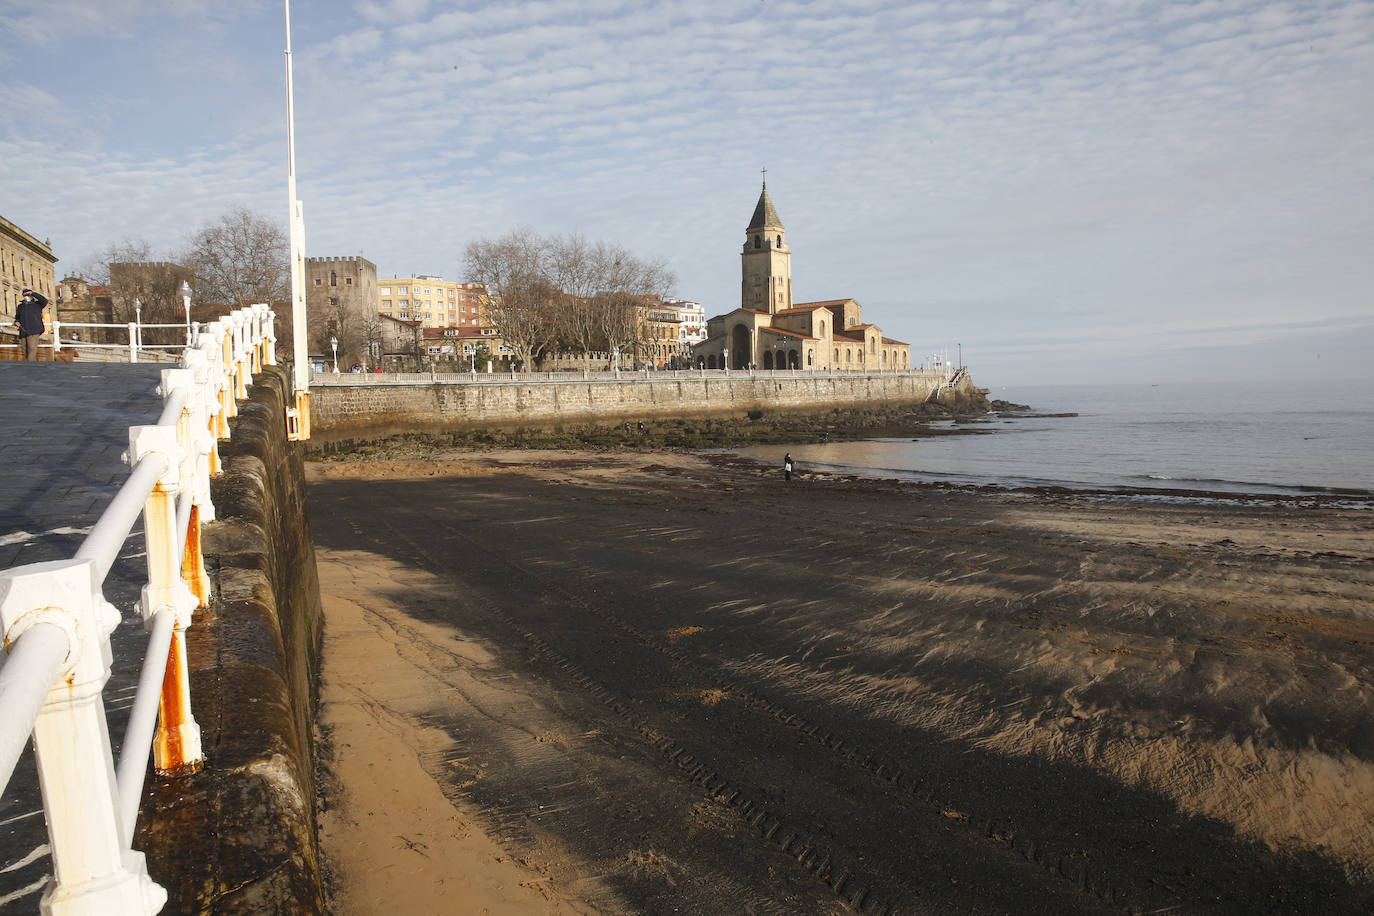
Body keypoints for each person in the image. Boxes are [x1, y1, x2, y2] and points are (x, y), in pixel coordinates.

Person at [13, 288, 48, 361]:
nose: (26, 296)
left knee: (32, 348)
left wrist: (33, 293)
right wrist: (16, 321)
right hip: (23, 330)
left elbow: (44, 300)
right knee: (24, 349)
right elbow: (17, 317)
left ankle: (30, 365)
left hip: (34, 329)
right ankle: (31, 364)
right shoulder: (20, 306)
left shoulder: (38, 304)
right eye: (25, 295)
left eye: (28, 295)